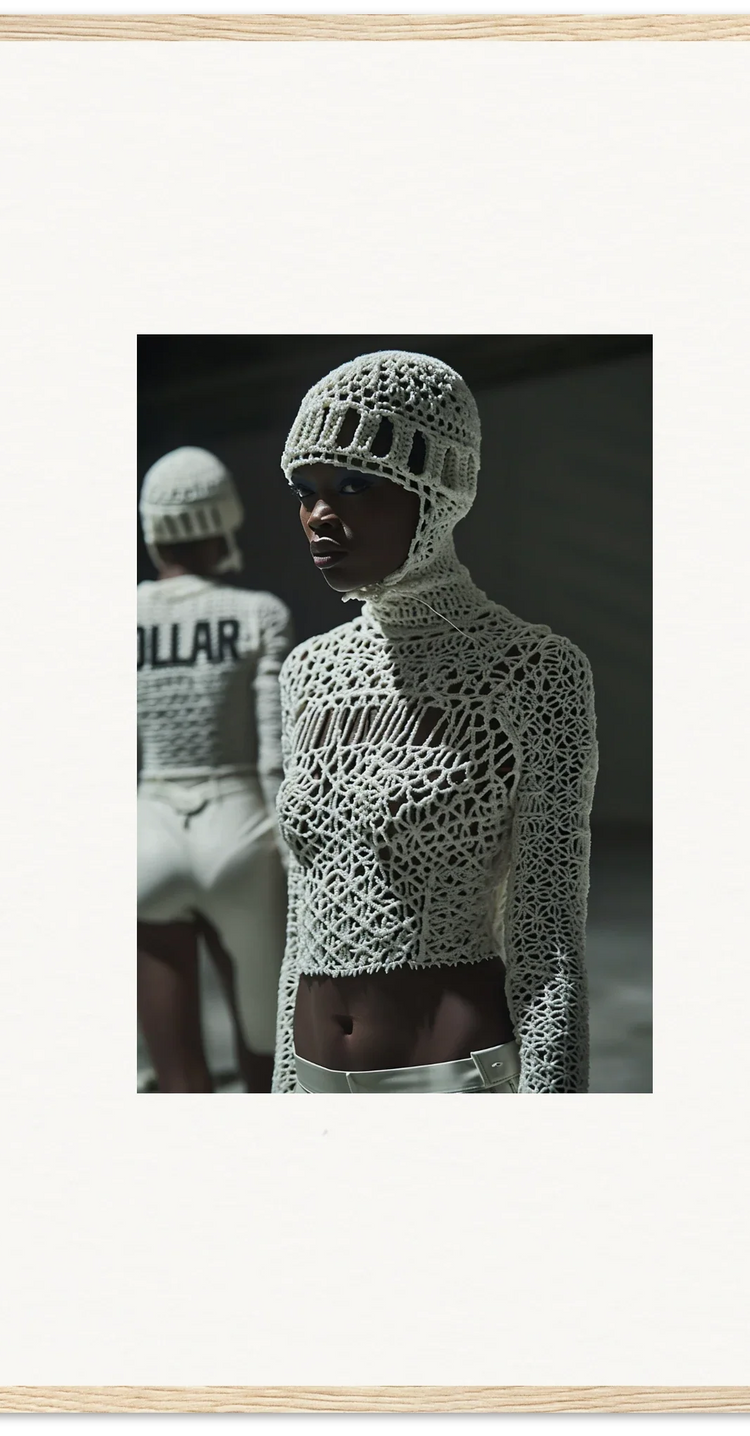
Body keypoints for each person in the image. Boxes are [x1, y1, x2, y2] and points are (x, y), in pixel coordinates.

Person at [272, 352, 598, 1094]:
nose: (321, 513)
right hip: (314, 1070)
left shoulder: (532, 670)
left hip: (450, 1075)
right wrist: (282, 1086)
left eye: (356, 483)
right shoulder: (307, 673)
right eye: (306, 490)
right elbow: (303, 917)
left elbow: (546, 936)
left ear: (437, 491)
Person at [137, 446, 292, 1093]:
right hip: (241, 831)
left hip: (147, 831)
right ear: (223, 519)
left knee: (176, 1080)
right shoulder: (260, 612)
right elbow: (273, 754)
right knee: (266, 1057)